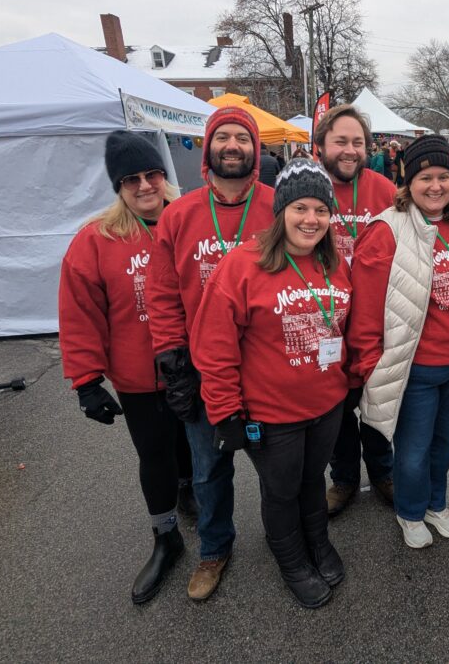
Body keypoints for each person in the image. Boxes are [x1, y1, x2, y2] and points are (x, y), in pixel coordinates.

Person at [191, 159, 350, 609]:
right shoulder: (242, 265)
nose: (311, 219)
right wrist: (225, 412)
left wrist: (352, 379)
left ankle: (317, 540)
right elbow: (214, 348)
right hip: (271, 413)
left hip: (326, 402)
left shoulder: (333, 262)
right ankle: (291, 557)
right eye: (300, 208)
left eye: (321, 210)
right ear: (281, 211)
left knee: (312, 479)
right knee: (281, 489)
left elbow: (344, 327)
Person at [58, 131, 194, 604]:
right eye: (131, 179)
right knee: (155, 453)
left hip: (196, 366)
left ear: (163, 175)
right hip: (140, 377)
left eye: (151, 174)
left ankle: (190, 491)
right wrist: (86, 380)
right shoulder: (97, 239)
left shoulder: (190, 220)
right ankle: (166, 536)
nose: (144, 185)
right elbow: (79, 312)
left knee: (193, 444)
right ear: (118, 186)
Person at [146, 106, 276, 601]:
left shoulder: (278, 207)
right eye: (223, 137)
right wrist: (172, 357)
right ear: (207, 148)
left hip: (267, 365)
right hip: (204, 368)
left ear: (255, 150)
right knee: (208, 468)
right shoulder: (179, 215)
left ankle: (285, 540)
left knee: (275, 467)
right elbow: (162, 294)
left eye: (242, 137)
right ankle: (214, 549)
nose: (232, 145)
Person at [347, 135, 449, 549]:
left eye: (444, 176)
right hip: (417, 367)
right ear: (409, 182)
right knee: (412, 450)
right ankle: (409, 511)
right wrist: (369, 367)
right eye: (425, 178)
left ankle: (435, 503)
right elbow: (366, 309)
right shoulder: (387, 228)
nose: (435, 186)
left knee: (444, 445)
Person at [315, 104, 397, 517]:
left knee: (377, 398)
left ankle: (383, 472)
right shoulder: (307, 188)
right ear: (321, 146)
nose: (350, 150)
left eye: (358, 142)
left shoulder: (384, 189)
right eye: (340, 141)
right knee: (337, 407)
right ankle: (344, 478)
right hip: (323, 321)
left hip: (376, 318)